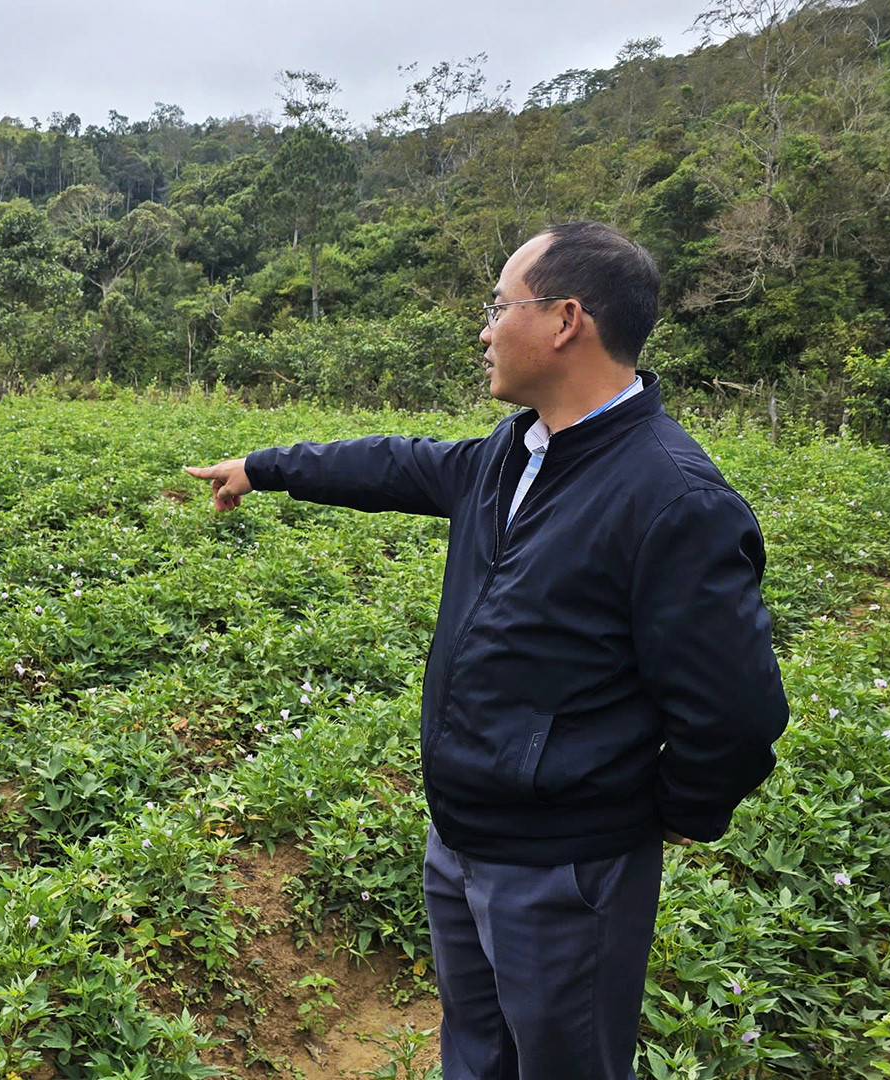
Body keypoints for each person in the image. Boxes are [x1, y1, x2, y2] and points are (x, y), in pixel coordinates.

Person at [185, 221, 788, 1080]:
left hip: (565, 867)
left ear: (564, 320)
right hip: (463, 837)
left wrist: (643, 817)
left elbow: (736, 711)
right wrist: (267, 466)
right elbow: (397, 466)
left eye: (498, 306)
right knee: (475, 1056)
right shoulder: (520, 450)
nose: (484, 328)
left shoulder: (672, 497)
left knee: (564, 1063)